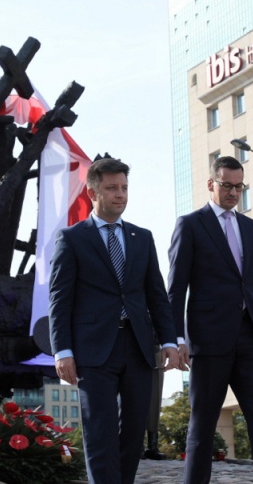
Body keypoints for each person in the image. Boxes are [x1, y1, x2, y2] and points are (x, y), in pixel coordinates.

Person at [49, 157, 181, 484]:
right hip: (93, 351)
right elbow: (60, 299)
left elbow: (156, 296)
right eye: (111, 188)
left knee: (134, 430)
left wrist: (170, 341)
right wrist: (62, 350)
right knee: (100, 431)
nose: (120, 194)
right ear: (93, 193)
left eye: (124, 187)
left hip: (137, 346)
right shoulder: (73, 238)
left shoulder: (142, 237)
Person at [167, 156, 253, 484]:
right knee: (202, 427)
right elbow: (175, 289)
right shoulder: (190, 225)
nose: (234, 193)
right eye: (227, 186)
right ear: (211, 184)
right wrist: (176, 340)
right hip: (208, 343)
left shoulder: (252, 227)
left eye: (239, 186)